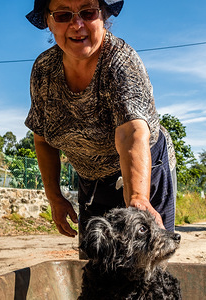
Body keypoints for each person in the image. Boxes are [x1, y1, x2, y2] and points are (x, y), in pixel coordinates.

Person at [25, 0, 177, 243]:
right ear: (49, 22)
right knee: (97, 265)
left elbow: (131, 133)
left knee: (144, 265)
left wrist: (138, 197)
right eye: (63, 15)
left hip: (142, 172)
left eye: (87, 12)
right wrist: (54, 197)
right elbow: (43, 139)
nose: (77, 24)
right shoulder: (44, 71)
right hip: (92, 180)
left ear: (103, 16)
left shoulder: (120, 62)